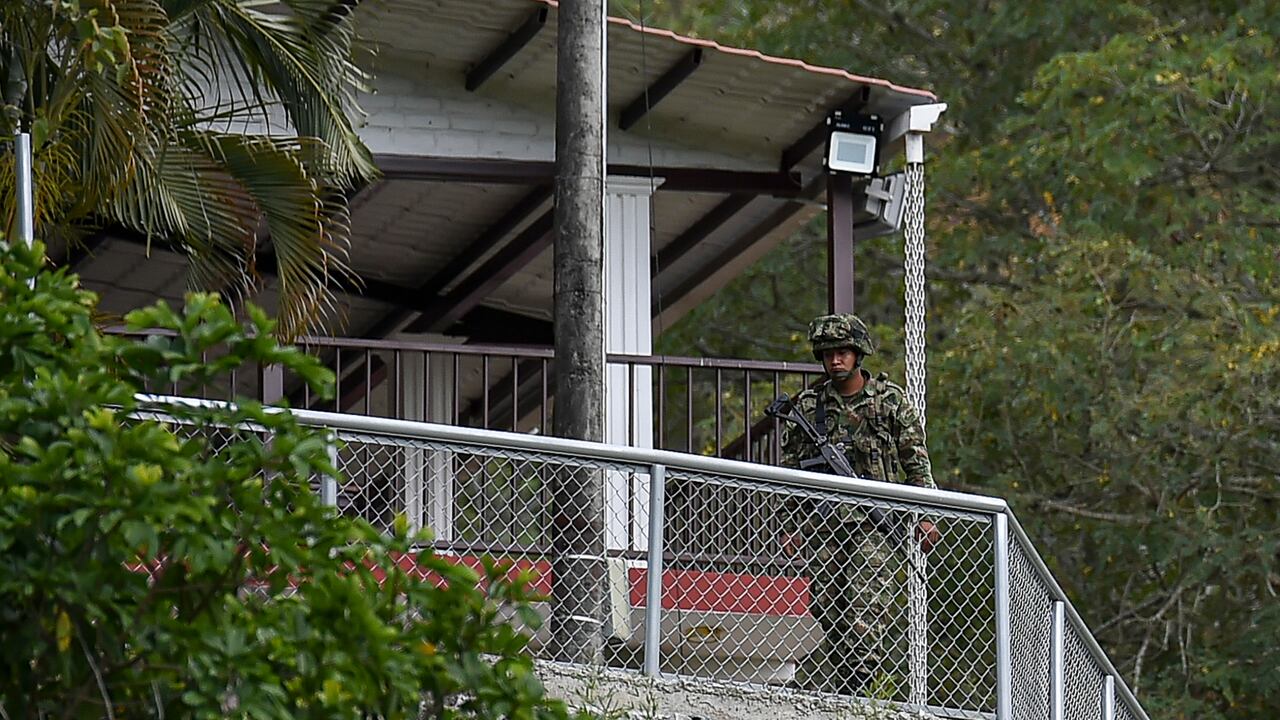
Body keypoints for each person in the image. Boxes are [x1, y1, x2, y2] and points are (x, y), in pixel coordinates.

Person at [779, 313, 938, 696]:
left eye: (843, 352)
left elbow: (916, 462)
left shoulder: (889, 401)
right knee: (826, 606)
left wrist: (926, 517)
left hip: (874, 523)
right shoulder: (810, 406)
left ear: (858, 354)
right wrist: (789, 524)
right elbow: (790, 471)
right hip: (824, 524)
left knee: (865, 608)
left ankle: (857, 691)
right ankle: (846, 687)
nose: (836, 360)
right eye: (828, 353)